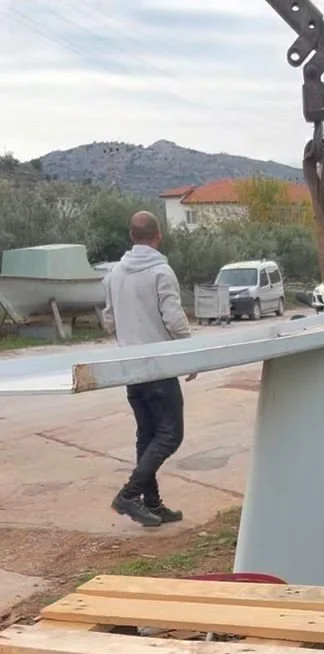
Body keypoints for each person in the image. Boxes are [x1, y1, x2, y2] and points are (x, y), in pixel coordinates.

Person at [102, 210, 194, 528]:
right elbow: (173, 319)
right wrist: (190, 353)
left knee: (147, 435)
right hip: (159, 367)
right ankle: (129, 495)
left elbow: (109, 320)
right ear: (159, 236)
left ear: (131, 236)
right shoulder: (161, 272)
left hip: (131, 369)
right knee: (170, 436)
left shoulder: (114, 274)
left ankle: (151, 504)